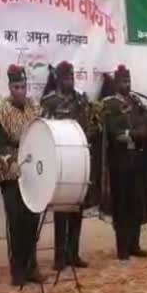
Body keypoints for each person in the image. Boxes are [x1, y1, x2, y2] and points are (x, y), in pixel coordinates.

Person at [0, 64, 45, 286]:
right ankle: (18, 270)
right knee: (16, 222)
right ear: (10, 87)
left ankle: (32, 267)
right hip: (10, 175)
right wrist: (12, 161)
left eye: (23, 86)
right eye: (16, 87)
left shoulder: (35, 109)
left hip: (33, 174)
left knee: (32, 221)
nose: (20, 91)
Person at [99, 65, 147, 260]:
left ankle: (134, 244)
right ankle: (122, 247)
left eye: (129, 80)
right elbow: (114, 131)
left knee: (136, 203)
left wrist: (135, 133)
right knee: (122, 205)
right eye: (124, 81)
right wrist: (136, 133)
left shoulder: (135, 101)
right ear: (116, 83)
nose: (127, 84)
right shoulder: (109, 104)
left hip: (137, 160)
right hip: (119, 161)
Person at [41, 61, 92, 270]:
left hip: (79, 159)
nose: (69, 81)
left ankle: (73, 253)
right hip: (61, 161)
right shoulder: (49, 101)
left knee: (77, 208)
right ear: (58, 79)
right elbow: (44, 128)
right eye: (66, 78)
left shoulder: (80, 100)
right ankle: (59, 257)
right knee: (62, 210)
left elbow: (90, 123)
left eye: (72, 77)